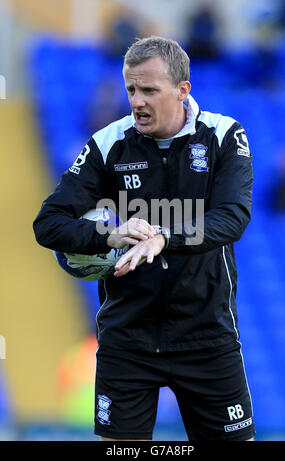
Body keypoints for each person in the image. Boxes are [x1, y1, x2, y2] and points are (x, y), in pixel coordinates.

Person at [33, 36, 255, 441]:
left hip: (207, 336)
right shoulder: (108, 144)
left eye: (149, 90)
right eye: (131, 89)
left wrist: (165, 237)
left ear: (182, 90)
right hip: (128, 338)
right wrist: (107, 234)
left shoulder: (223, 136)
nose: (137, 101)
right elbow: (47, 223)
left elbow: (232, 218)